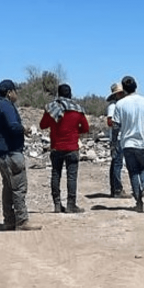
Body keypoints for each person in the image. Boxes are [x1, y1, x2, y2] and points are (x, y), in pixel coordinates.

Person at [0, 79, 40, 231]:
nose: (16, 94)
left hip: (1, 152)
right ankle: (22, 221)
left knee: (8, 187)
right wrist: (24, 129)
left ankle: (9, 220)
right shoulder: (6, 106)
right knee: (18, 188)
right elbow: (13, 126)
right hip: (10, 153)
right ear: (9, 92)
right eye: (15, 91)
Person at [39, 83, 90, 213]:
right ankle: (71, 205)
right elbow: (85, 128)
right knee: (71, 177)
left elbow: (43, 125)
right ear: (70, 94)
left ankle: (57, 204)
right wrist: (74, 130)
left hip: (56, 148)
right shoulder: (77, 109)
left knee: (56, 175)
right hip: (72, 148)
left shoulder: (51, 109)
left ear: (58, 94)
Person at [113, 76, 144, 212]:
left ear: (124, 89)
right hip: (142, 142)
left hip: (127, 143)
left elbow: (115, 126)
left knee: (133, 172)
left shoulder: (120, 104)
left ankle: (138, 202)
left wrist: (114, 143)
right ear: (136, 86)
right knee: (143, 168)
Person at [105, 82, 126, 198]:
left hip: (119, 137)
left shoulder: (119, 105)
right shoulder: (113, 106)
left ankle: (115, 188)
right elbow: (110, 122)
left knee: (116, 163)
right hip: (116, 138)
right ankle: (117, 189)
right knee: (117, 163)